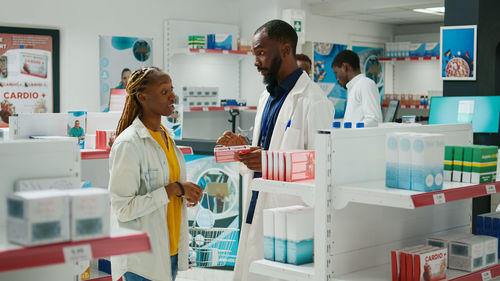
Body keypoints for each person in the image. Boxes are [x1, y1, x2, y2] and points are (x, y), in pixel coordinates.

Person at [217, 20, 334, 281]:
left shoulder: (314, 101)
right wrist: (243, 149)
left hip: (289, 220)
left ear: (284, 50)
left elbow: (322, 166)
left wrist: (268, 161)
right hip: (257, 205)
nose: (256, 61)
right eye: (254, 54)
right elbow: (269, 149)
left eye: (261, 53)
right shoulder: (266, 97)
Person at [108, 66, 203, 281]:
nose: (173, 96)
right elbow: (122, 209)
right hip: (142, 260)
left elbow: (166, 191)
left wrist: (185, 193)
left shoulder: (166, 137)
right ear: (142, 97)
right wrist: (174, 189)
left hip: (169, 250)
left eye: (172, 89)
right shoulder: (129, 143)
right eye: (164, 91)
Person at [331, 50, 382, 127]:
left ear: (345, 67)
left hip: (360, 138)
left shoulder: (365, 84)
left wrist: (351, 130)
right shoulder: (354, 87)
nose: (337, 79)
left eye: (336, 73)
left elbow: (373, 119)